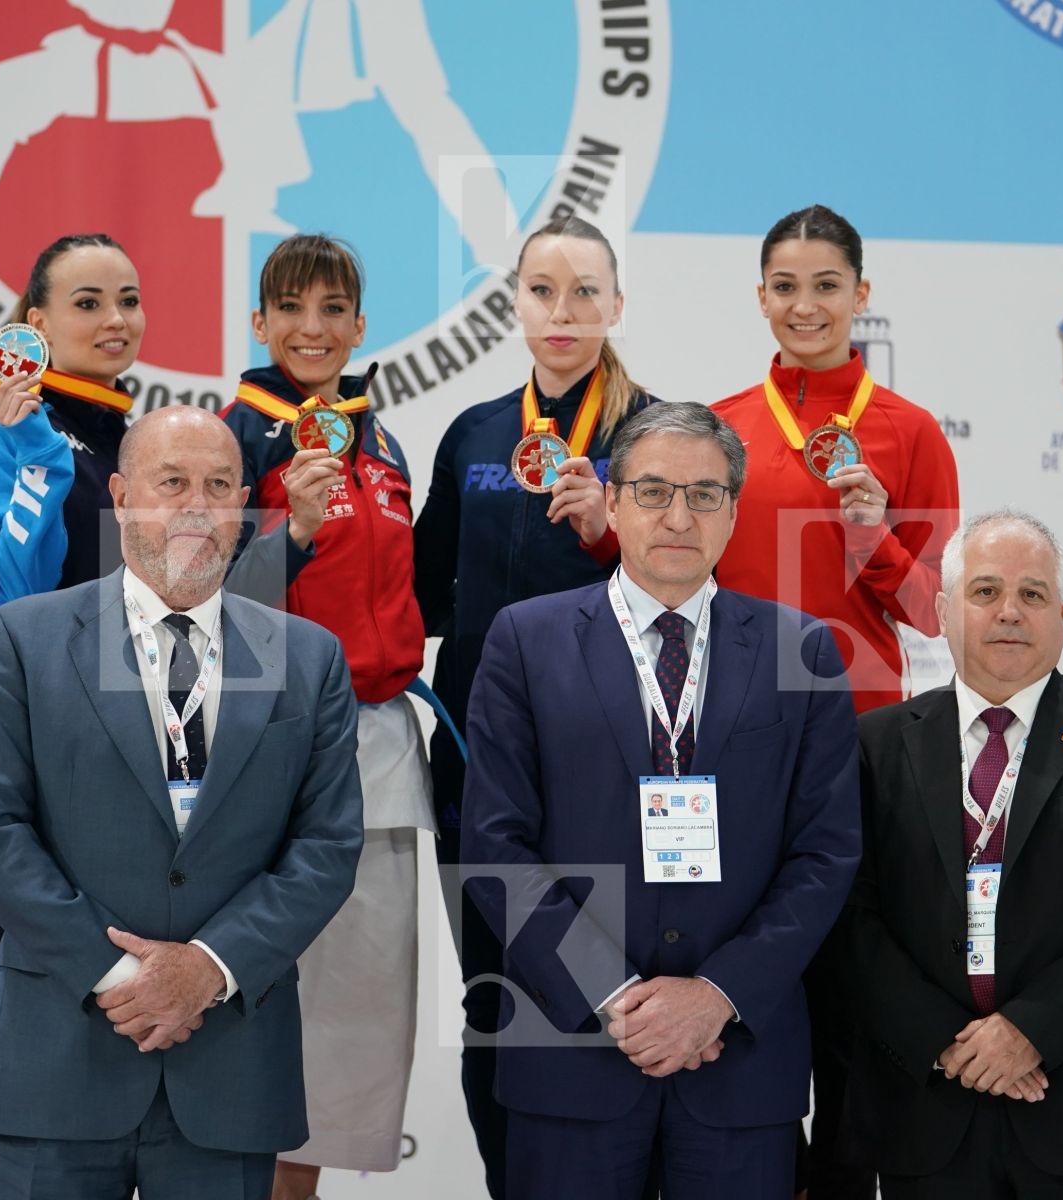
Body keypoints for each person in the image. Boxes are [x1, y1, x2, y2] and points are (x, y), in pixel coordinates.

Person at [0, 232, 335, 1200]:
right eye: (88, 303)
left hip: (154, 722)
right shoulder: (14, 430)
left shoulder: (132, 428)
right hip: (32, 729)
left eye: (128, 301)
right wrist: (29, 455)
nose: (115, 321)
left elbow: (192, 587)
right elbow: (16, 589)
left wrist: (293, 540)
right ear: (33, 323)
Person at [0, 406, 365, 1200]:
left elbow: (326, 848)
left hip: (230, 1071)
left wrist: (207, 971)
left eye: (218, 486)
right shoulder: (25, 639)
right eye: (170, 482)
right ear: (118, 494)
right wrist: (121, 977)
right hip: (57, 1062)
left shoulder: (307, 659)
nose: (195, 506)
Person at [460, 402, 863, 1199]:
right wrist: (615, 997)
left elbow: (826, 854)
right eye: (652, 491)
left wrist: (717, 996)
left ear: (733, 512)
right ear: (612, 503)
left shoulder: (803, 649)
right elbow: (493, 844)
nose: (679, 516)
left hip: (739, 1064)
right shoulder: (524, 639)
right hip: (571, 1060)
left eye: (705, 494)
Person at [837, 509, 1063, 1198]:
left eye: (1032, 594)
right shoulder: (875, 744)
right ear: (943, 611)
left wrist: (1030, 1031)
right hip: (928, 1117)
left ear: (1062, 616)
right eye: (985, 592)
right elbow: (850, 918)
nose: (1010, 611)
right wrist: (947, 1043)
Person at [709, 205, 960, 1198]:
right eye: (785, 286)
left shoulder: (909, 433)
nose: (804, 306)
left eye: (825, 286)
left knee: (855, 1004)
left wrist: (875, 539)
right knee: (743, 995)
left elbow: (933, 611)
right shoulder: (718, 428)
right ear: (761, 296)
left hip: (859, 749)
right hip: (732, 748)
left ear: (863, 293)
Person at [413, 215, 660, 1197]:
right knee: (495, 1012)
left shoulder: (652, 434)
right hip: (475, 766)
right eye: (543, 290)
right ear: (514, 303)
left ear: (616, 304)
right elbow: (422, 593)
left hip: (606, 770)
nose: (563, 312)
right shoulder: (475, 432)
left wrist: (615, 532)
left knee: (606, 995)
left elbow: (698, 601)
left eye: (584, 291)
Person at [218, 233, 432, 1200]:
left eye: (334, 309)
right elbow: (189, 591)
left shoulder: (375, 437)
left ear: (358, 324)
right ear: (259, 324)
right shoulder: (233, 436)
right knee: (251, 1004)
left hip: (380, 746)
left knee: (350, 1021)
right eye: (292, 310)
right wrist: (289, 532)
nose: (314, 329)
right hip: (269, 752)